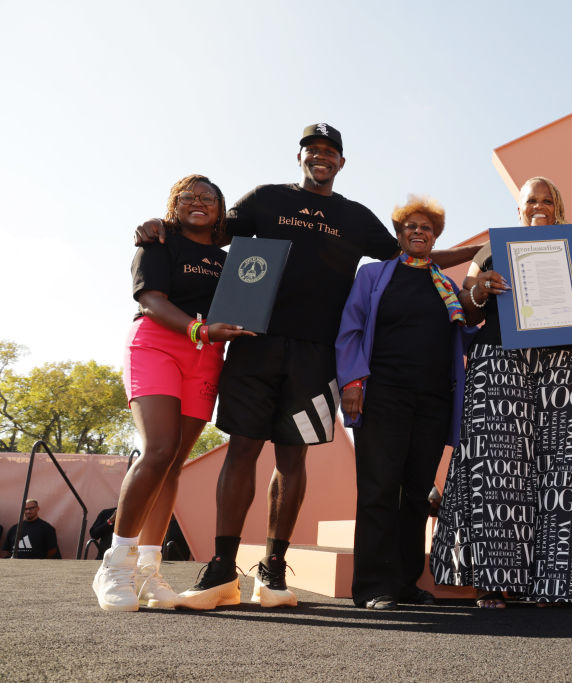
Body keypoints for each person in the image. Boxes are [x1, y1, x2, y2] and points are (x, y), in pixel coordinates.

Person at [135, 124, 478, 610]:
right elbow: (207, 230)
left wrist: (473, 253)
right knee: (243, 450)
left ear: (341, 163)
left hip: (317, 356)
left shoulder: (356, 218)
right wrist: (159, 226)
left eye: (330, 152)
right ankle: (221, 566)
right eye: (312, 150)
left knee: (293, 458)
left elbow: (413, 258)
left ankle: (273, 573)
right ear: (299, 156)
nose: (321, 157)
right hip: (254, 344)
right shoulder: (264, 200)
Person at [431, 177, 572, 608]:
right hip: (499, 360)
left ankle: (565, 582)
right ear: (518, 209)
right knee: (497, 466)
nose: (538, 205)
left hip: (568, 365)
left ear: (558, 207)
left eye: (547, 199)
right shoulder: (492, 250)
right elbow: (467, 309)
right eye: (530, 200)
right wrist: (479, 288)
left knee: (569, 465)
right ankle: (492, 582)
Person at [93, 174, 254, 612]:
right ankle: (115, 564)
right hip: (158, 343)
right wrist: (199, 328)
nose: (199, 202)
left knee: (174, 465)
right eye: (189, 196)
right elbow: (151, 300)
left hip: (205, 355)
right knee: (158, 451)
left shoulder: (229, 261)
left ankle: (148, 571)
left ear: (221, 211)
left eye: (209, 198)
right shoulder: (157, 242)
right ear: (174, 204)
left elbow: (243, 307)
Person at [336, 196, 478, 610]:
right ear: (399, 234)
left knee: (417, 492)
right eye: (411, 227)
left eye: (427, 228)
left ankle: (405, 581)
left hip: (434, 399)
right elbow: (350, 328)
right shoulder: (374, 275)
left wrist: (487, 305)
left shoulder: (445, 285)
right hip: (383, 395)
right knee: (380, 488)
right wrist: (352, 380)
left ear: (435, 238)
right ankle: (373, 586)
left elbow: (463, 335)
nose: (419, 232)